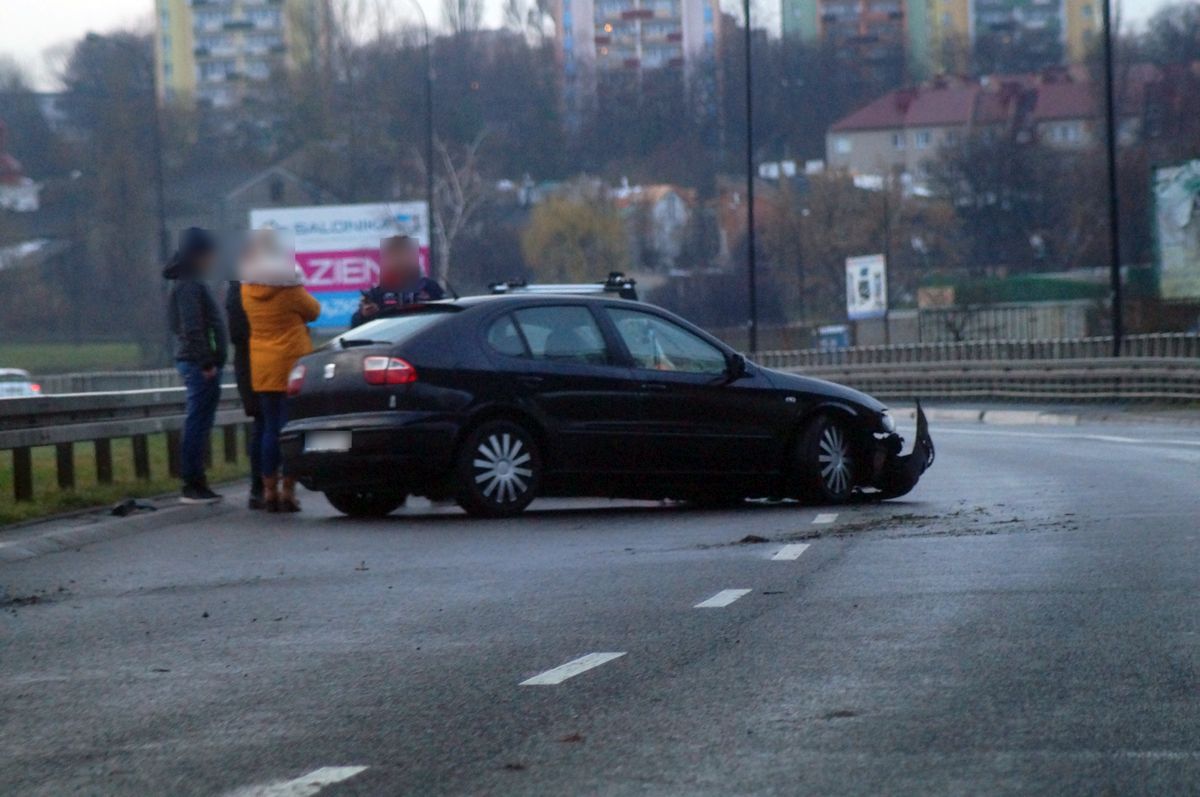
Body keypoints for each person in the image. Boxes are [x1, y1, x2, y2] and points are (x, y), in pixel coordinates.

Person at [240, 230, 321, 513]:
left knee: (268, 429)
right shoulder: (289, 287)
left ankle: (268, 491)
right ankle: (289, 491)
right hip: (291, 364)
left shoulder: (247, 288)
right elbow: (314, 311)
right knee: (289, 430)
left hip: (261, 364)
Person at [164, 227, 229, 505]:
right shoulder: (189, 284)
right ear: (197, 255)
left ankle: (197, 480)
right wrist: (205, 361)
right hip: (198, 364)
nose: (212, 259)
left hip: (199, 361)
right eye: (209, 254)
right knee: (198, 423)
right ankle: (192, 482)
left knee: (201, 423)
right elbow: (192, 327)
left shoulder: (188, 281)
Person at [225, 278, 265, 510]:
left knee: (263, 424)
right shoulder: (243, 290)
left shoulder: (237, 291)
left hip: (251, 366)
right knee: (263, 423)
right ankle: (262, 485)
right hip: (255, 365)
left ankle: (263, 485)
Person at [350, 235, 444, 327]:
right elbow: (356, 326)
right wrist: (364, 315)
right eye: (394, 255)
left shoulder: (430, 287)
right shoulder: (377, 293)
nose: (399, 260)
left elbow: (446, 316)